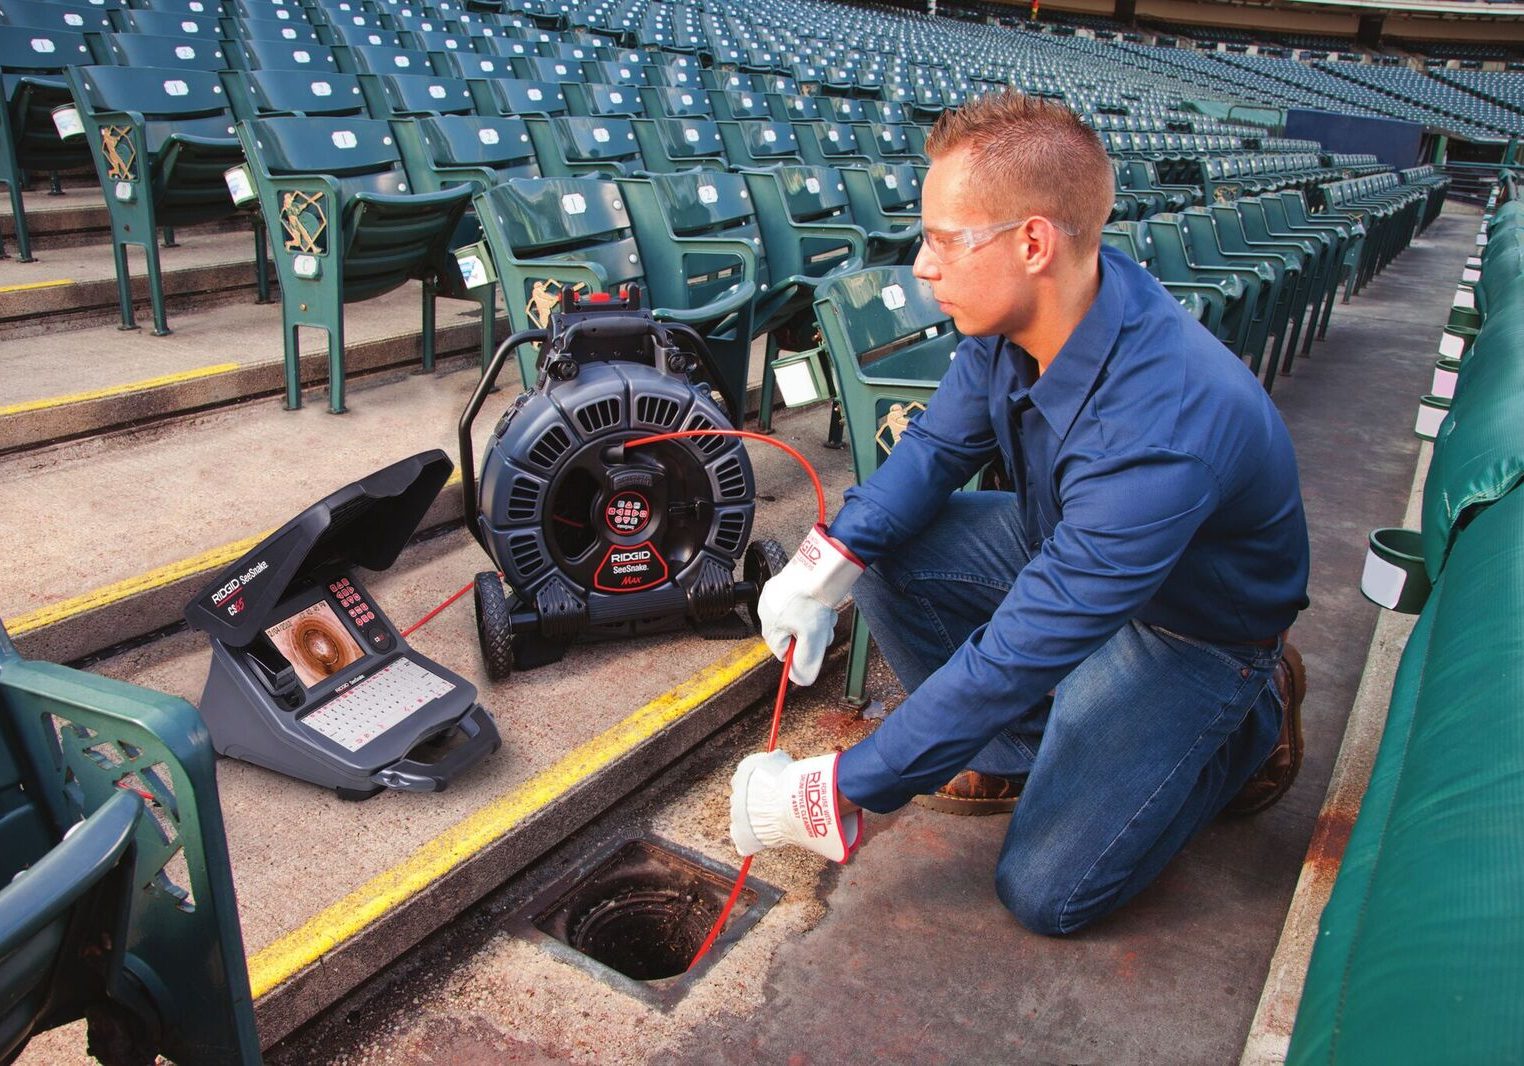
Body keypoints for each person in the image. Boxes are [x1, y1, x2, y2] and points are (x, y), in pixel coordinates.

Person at [728, 90, 1310, 936]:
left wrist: (837, 788)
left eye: (942, 240)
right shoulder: (1018, 321)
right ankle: (1020, 754)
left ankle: (1249, 719)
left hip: (1193, 628)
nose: (922, 265)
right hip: (1066, 551)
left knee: (1048, 893)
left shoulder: (1161, 429)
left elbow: (1017, 652)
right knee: (889, 552)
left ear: (1032, 241)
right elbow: (931, 456)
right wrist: (820, 568)